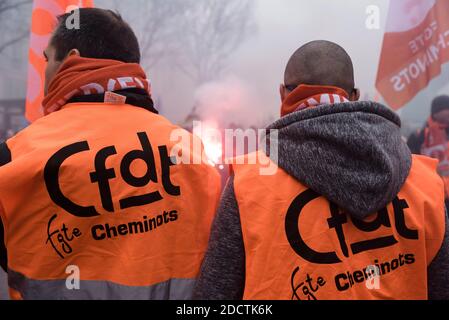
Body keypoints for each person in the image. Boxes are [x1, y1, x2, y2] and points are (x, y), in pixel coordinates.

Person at [193, 40, 449, 300]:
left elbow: (214, 295)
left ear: (283, 94)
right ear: (354, 96)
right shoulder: (425, 183)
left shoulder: (248, 185)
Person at [0, 8, 221, 300]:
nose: (44, 71)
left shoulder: (15, 157)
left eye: (46, 59)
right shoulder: (192, 151)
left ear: (71, 59)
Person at [407, 95, 449, 207]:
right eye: (445, 109)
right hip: (429, 191)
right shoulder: (419, 135)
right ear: (435, 112)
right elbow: (409, 162)